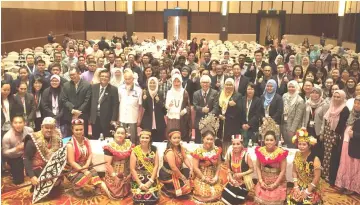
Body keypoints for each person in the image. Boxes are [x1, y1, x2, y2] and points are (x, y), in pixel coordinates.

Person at [65, 119, 105, 196]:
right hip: (74, 169)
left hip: (85, 165)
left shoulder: (86, 140)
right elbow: (71, 162)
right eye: (76, 130)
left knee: (94, 174)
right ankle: (77, 187)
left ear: (84, 129)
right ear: (72, 130)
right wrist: (84, 170)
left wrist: (86, 165)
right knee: (84, 176)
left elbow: (90, 154)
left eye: (81, 129)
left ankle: (95, 187)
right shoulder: (70, 144)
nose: (79, 131)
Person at [23, 117, 63, 192]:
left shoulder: (57, 137)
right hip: (37, 167)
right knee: (49, 183)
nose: (49, 130)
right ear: (42, 127)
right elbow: (26, 158)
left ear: (54, 128)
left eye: (51, 128)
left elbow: (60, 155)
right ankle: (37, 185)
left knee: (57, 181)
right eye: (46, 128)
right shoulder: (33, 139)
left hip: (52, 166)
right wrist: (32, 176)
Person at [192, 113, 223, 204]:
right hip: (201, 177)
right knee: (204, 194)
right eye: (207, 139)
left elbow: (219, 165)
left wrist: (216, 177)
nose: (209, 141)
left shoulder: (217, 150)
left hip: (213, 177)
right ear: (203, 139)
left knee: (217, 192)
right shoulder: (198, 151)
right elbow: (195, 168)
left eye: (211, 139)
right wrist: (204, 178)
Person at [287, 127, 323, 204]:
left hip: (312, 186)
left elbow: (317, 177)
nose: (301, 146)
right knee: (293, 200)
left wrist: (307, 191)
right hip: (300, 184)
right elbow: (294, 171)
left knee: (306, 202)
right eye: (299, 144)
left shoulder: (315, 159)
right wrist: (296, 186)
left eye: (304, 144)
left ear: (309, 145)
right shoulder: (297, 154)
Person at [322, 90, 349, 186]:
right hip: (328, 133)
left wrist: (334, 135)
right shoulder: (331, 106)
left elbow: (342, 125)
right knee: (326, 154)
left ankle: (331, 177)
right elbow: (327, 120)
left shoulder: (344, 109)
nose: (336, 98)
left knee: (333, 156)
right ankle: (324, 174)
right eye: (335, 96)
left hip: (336, 135)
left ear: (342, 98)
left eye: (339, 97)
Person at [254, 130, 288, 205]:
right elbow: (257, 166)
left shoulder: (281, 152)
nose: (269, 142)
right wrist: (260, 181)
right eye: (267, 140)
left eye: (271, 140)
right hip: (263, 180)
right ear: (264, 141)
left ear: (275, 141)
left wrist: (275, 184)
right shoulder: (260, 151)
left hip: (277, 181)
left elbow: (283, 171)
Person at [335, 96, 360, 195]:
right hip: (346, 143)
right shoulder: (352, 115)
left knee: (354, 167)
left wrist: (354, 135)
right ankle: (344, 184)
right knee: (345, 165)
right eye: (356, 103)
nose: (357, 105)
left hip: (356, 146)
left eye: (359, 104)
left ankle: (352, 187)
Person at [103, 126, 134, 199]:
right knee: (117, 195)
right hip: (113, 172)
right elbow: (107, 164)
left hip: (125, 171)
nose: (120, 135)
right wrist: (114, 177)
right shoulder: (109, 146)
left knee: (128, 191)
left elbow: (131, 160)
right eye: (118, 133)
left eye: (122, 133)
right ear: (114, 134)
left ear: (125, 135)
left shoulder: (129, 144)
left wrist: (130, 173)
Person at [158, 129, 192, 197]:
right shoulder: (170, 152)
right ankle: (166, 189)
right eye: (174, 138)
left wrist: (191, 168)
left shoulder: (180, 147)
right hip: (168, 174)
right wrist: (183, 177)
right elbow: (173, 167)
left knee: (189, 172)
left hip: (178, 171)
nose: (177, 140)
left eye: (178, 138)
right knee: (184, 189)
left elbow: (185, 158)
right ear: (170, 139)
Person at [221, 134, 254, 205]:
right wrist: (231, 179)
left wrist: (241, 174)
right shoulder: (230, 154)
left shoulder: (246, 155)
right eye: (233, 144)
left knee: (235, 200)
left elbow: (252, 169)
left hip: (244, 181)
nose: (235, 146)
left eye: (238, 144)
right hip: (233, 180)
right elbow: (228, 169)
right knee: (225, 197)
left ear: (242, 144)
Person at [130, 130, 160, 204]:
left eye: (147, 138)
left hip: (151, 176)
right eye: (142, 137)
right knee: (138, 200)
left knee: (152, 200)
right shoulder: (135, 150)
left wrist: (151, 181)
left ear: (150, 139)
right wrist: (140, 184)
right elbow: (132, 169)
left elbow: (156, 165)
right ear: (139, 139)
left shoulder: (154, 149)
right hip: (138, 177)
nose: (144, 139)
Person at [2, 115, 33, 185]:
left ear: (24, 123)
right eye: (15, 123)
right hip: (15, 157)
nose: (18, 125)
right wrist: (16, 149)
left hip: (28, 154)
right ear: (12, 124)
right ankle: (11, 168)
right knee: (18, 181)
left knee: (33, 173)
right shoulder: (7, 137)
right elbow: (4, 152)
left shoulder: (30, 130)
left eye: (20, 122)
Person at [89, 69, 119, 139]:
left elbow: (115, 105)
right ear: (99, 77)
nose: (104, 78)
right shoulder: (93, 87)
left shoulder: (113, 89)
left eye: (106, 77)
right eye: (102, 76)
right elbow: (90, 102)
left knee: (107, 138)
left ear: (109, 78)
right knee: (95, 138)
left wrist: (113, 119)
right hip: (95, 118)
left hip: (107, 119)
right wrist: (90, 117)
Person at [62, 67, 92, 137]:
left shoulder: (87, 85)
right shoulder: (66, 85)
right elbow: (64, 99)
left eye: (74, 74)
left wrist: (78, 112)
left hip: (83, 114)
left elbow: (87, 101)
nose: (72, 76)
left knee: (83, 136)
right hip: (70, 115)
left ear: (79, 73)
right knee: (70, 136)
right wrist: (72, 110)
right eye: (70, 75)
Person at [217, 78, 242, 156]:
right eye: (227, 84)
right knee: (221, 140)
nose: (228, 86)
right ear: (224, 85)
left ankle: (230, 156)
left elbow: (241, 109)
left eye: (230, 85)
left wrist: (235, 105)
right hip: (221, 121)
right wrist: (219, 115)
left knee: (230, 140)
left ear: (233, 86)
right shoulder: (220, 94)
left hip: (232, 122)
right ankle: (221, 156)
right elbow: (216, 107)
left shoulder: (237, 95)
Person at [165, 74, 191, 142]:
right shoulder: (169, 92)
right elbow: (166, 105)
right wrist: (168, 106)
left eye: (178, 81)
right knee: (171, 135)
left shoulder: (184, 92)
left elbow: (188, 106)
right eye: (175, 81)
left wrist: (185, 110)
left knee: (180, 136)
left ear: (181, 82)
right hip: (171, 117)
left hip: (181, 118)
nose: (176, 83)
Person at [118, 70, 142, 144]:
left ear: (133, 79)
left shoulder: (138, 90)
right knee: (121, 138)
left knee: (132, 140)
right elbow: (118, 102)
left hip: (133, 118)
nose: (127, 81)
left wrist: (139, 118)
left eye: (129, 79)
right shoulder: (120, 88)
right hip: (122, 117)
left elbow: (140, 105)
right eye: (126, 79)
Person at [193, 75, 219, 143]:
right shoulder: (196, 93)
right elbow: (195, 106)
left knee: (209, 141)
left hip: (211, 121)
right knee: (198, 141)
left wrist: (209, 117)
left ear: (210, 83)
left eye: (207, 82)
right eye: (203, 82)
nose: (205, 84)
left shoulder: (215, 93)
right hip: (199, 120)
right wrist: (202, 109)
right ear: (200, 83)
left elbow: (216, 107)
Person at [141, 77, 166, 142]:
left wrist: (158, 101)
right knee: (148, 139)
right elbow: (144, 107)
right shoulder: (145, 93)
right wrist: (144, 100)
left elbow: (163, 109)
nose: (152, 84)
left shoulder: (160, 93)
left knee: (159, 139)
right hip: (148, 120)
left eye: (154, 83)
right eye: (151, 83)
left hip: (159, 120)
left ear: (157, 84)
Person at [282, 80, 305, 148]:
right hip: (284, 124)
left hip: (293, 127)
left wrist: (292, 130)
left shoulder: (300, 100)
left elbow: (298, 117)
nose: (291, 88)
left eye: (293, 87)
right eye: (289, 87)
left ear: (296, 87)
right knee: (285, 145)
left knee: (292, 146)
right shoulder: (284, 96)